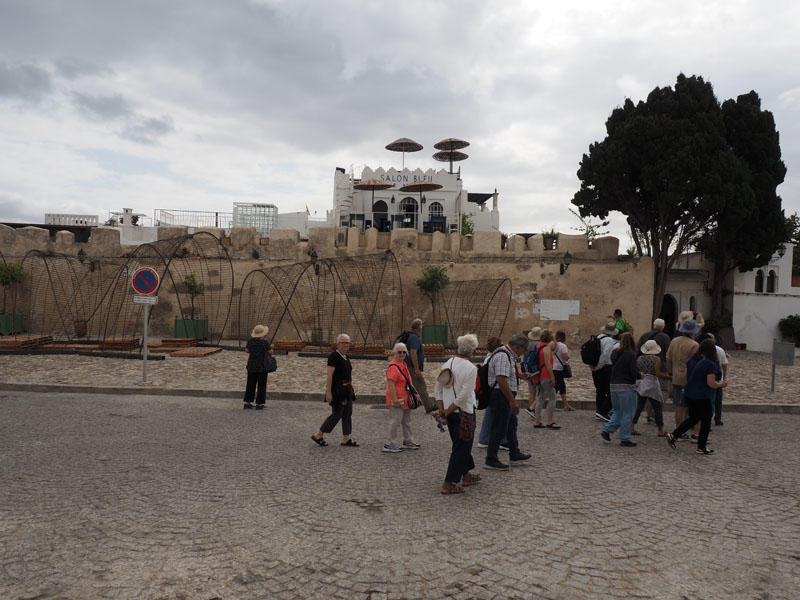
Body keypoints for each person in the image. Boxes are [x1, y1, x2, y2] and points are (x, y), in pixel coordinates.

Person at [436, 333, 480, 494]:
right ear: (473, 351)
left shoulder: (448, 362)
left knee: (459, 444)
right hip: (464, 413)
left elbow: (438, 389)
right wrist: (446, 411)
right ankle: (449, 483)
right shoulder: (471, 369)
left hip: (450, 412)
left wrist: (443, 410)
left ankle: (466, 474)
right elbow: (464, 396)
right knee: (462, 448)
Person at [666, 339, 727, 455]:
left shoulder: (692, 361)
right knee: (706, 420)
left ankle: (674, 435)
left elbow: (687, 376)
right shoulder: (710, 364)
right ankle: (701, 447)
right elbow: (711, 383)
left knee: (693, 418)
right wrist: (722, 384)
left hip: (689, 393)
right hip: (702, 395)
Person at [485, 334, 532, 470]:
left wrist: (519, 375)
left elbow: (505, 374)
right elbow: (501, 379)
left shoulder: (508, 355)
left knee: (511, 425)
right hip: (501, 396)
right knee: (499, 427)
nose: (524, 352)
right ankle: (491, 459)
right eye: (524, 349)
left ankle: (514, 452)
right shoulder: (503, 356)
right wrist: (512, 401)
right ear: (517, 347)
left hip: (504, 395)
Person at [311, 333, 359, 447]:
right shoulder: (334, 356)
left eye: (347, 343)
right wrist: (328, 392)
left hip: (347, 390)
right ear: (338, 344)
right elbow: (329, 375)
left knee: (347, 413)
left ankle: (346, 439)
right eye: (343, 343)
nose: (345, 345)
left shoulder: (346, 357)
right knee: (337, 414)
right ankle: (318, 434)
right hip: (337, 391)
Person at [601, 332, 641, 447]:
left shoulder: (615, 353)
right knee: (628, 413)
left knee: (618, 411)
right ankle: (624, 438)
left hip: (614, 385)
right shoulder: (630, 354)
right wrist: (640, 375)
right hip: (626, 386)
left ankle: (607, 430)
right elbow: (633, 372)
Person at [384, 342, 420, 453]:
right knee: (395, 421)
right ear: (394, 353)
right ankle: (390, 443)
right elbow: (391, 384)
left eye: (404, 352)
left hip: (406, 399)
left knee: (406, 421)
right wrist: (394, 400)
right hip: (397, 399)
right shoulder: (393, 366)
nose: (402, 354)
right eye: (399, 352)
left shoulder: (403, 364)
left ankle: (408, 441)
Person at [665, 319, 700, 430]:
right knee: (694, 406)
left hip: (676, 377)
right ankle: (694, 431)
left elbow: (668, 358)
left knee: (679, 406)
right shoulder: (694, 345)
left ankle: (679, 429)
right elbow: (695, 363)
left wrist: (670, 373)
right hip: (689, 378)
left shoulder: (674, 341)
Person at [630, 339, 669, 437]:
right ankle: (660, 430)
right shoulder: (656, 359)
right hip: (652, 384)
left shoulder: (639, 358)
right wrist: (669, 377)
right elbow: (657, 373)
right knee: (657, 407)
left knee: (638, 407)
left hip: (642, 383)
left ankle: (632, 427)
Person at [476, 336, 505, 449]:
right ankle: (501, 440)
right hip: (494, 389)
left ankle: (484, 439)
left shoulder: (489, 356)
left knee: (491, 414)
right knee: (499, 415)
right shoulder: (496, 357)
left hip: (488, 388)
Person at [532, 329, 560, 429]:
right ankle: (550, 421)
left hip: (539, 376)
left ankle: (537, 421)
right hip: (545, 375)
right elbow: (548, 365)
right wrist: (552, 377)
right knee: (553, 397)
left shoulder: (538, 346)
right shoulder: (546, 348)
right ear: (550, 338)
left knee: (540, 398)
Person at [405, 318, 434, 412]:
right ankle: (429, 406)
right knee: (421, 385)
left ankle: (403, 404)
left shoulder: (410, 336)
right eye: (421, 326)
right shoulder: (414, 338)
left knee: (410, 385)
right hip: (412, 367)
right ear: (418, 328)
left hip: (408, 366)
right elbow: (413, 353)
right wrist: (417, 369)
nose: (422, 328)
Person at [591, 322, 618, 421]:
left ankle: (600, 410)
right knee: (611, 391)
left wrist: (593, 367)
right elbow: (605, 356)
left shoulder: (597, 337)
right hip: (605, 368)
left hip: (594, 368)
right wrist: (598, 367)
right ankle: (602, 411)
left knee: (600, 391)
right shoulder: (609, 340)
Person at [243, 324, 273, 410]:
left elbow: (247, 350)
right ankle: (259, 404)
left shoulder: (250, 341)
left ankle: (247, 402)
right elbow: (270, 352)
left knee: (250, 384)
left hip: (251, 366)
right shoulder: (265, 342)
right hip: (262, 367)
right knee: (261, 385)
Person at [552, 330, 574, 411]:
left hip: (553, 368)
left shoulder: (553, 345)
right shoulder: (563, 346)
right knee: (556, 388)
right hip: (559, 369)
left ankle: (566, 405)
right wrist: (569, 353)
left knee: (562, 387)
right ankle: (551, 406)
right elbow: (565, 357)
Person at [524, 327, 542, 418]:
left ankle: (532, 412)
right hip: (537, 371)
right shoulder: (540, 345)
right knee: (539, 392)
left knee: (531, 392)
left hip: (528, 370)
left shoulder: (527, 344)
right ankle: (533, 410)